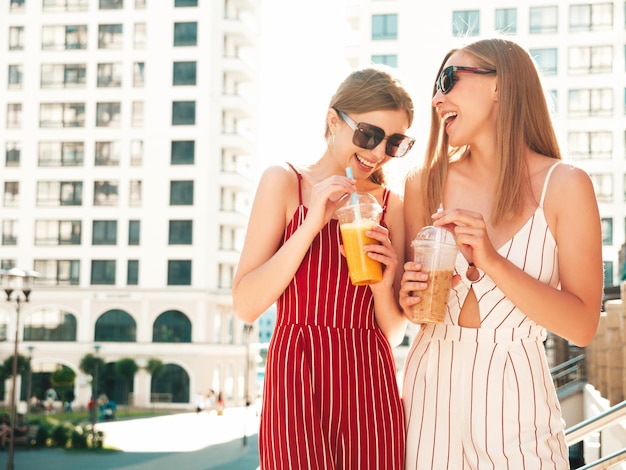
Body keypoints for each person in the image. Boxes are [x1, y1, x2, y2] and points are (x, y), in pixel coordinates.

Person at [400, 37, 603, 469]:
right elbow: (419, 313)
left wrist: (492, 260)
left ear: (500, 86)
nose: (437, 97)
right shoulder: (423, 184)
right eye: (436, 84)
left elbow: (583, 325)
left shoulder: (566, 186)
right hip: (429, 394)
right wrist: (410, 299)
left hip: (518, 400)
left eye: (449, 79)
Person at [232, 65, 414, 469]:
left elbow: (395, 333)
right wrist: (311, 223)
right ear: (334, 120)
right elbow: (245, 305)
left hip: (369, 376)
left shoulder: (391, 205)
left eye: (395, 142)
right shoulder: (284, 182)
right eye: (369, 135)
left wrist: (383, 285)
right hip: (296, 374)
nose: (378, 153)